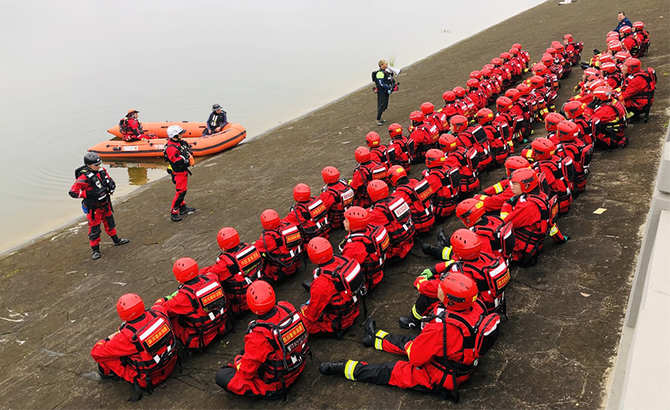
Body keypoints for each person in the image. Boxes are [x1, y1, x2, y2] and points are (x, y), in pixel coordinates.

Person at [319, 274, 500, 403]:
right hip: (456, 358)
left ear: (451, 300)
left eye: (441, 288)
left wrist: (416, 346)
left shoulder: (442, 328)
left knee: (389, 371)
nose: (438, 288)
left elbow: (416, 358)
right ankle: (374, 338)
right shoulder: (477, 306)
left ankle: (346, 368)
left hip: (442, 374)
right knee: (407, 342)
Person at [216, 280, 310, 399]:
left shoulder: (259, 335)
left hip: (278, 383)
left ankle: (270, 393)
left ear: (250, 305)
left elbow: (246, 372)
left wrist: (238, 361)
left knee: (223, 375)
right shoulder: (287, 307)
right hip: (298, 364)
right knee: (247, 351)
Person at [91, 293, 178, 401]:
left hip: (149, 379)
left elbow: (96, 352)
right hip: (171, 363)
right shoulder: (159, 312)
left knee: (105, 356)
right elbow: (160, 304)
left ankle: (107, 373)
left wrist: (108, 338)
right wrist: (162, 299)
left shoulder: (126, 337)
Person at [154, 258, 229, 350]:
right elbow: (209, 272)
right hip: (222, 325)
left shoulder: (182, 298)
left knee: (170, 316)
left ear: (178, 278)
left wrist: (161, 300)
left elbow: (161, 310)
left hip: (200, 340)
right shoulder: (212, 278)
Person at [500, 168, 568, 267]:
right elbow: (551, 224)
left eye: (515, 184)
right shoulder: (542, 196)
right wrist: (561, 239)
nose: (512, 187)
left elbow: (505, 224)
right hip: (534, 245)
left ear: (526, 186)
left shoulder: (527, 206)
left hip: (521, 251)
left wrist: (507, 204)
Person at [69, 152, 129, 260]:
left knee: (110, 222)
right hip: (94, 208)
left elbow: (107, 178)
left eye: (99, 164)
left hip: (105, 203)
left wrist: (111, 183)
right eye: (96, 165)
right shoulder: (84, 178)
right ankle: (95, 250)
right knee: (94, 228)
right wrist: (87, 194)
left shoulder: (101, 171)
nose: (98, 166)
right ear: (88, 165)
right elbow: (73, 192)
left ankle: (116, 240)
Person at [301, 237, 365, 337]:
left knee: (302, 323)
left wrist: (304, 309)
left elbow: (311, 316)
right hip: (354, 310)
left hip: (340, 322)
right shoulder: (344, 259)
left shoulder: (322, 283)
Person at [200, 227, 265, 315]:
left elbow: (208, 274)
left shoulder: (225, 264)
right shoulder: (250, 248)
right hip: (262, 290)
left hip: (243, 304)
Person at [339, 206, 389, 292]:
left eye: (346, 221)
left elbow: (345, 269)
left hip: (368, 283)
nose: (343, 222)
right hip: (378, 273)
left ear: (354, 224)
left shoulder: (353, 248)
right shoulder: (370, 228)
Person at [367, 180, 415, 260]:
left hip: (395, 252)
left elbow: (364, 219)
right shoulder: (398, 200)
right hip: (409, 241)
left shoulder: (376, 213)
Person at [255, 209, 303, 283]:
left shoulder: (267, 239)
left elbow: (255, 249)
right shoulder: (289, 227)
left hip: (280, 273)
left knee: (259, 257)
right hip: (295, 265)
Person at [164, 125, 195, 222]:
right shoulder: (171, 148)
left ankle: (182, 207)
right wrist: (184, 159)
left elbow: (186, 151)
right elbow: (176, 161)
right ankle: (174, 212)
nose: (182, 135)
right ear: (175, 135)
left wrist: (188, 154)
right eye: (180, 134)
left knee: (183, 190)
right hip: (178, 173)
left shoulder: (180, 143)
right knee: (181, 192)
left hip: (183, 171)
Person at [373, 59, 398, 126]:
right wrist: (388, 88)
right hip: (381, 92)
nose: (387, 65)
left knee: (385, 106)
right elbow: (381, 84)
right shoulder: (380, 73)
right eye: (385, 64)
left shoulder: (385, 72)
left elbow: (388, 80)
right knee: (381, 105)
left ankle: (380, 118)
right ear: (381, 65)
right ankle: (378, 119)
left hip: (385, 91)